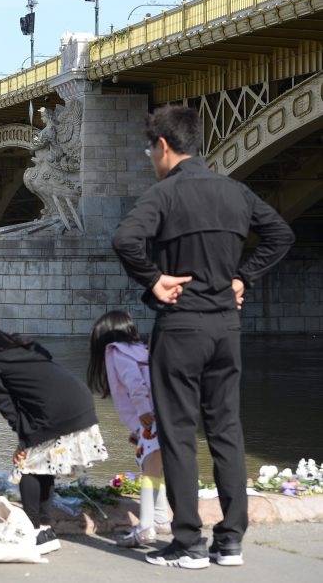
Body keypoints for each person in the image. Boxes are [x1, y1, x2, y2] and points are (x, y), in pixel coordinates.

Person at [112, 105, 294, 569]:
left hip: (180, 326)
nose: (151, 157)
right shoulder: (236, 191)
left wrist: (154, 279)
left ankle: (188, 542)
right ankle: (229, 542)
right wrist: (243, 277)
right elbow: (280, 234)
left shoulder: (163, 195)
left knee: (177, 434)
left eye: (150, 149)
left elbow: (125, 240)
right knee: (227, 432)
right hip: (225, 329)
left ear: (164, 146)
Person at [0, 307, 108, 556]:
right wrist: (27, 438)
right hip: (79, 399)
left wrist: (23, 438)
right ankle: (45, 529)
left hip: (54, 410)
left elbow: (5, 404)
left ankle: (33, 530)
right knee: (44, 465)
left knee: (28, 469)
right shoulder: (20, 344)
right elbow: (41, 375)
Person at [87, 311, 170, 547]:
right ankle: (161, 519)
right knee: (158, 471)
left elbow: (135, 382)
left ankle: (145, 527)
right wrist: (137, 430)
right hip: (163, 416)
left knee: (150, 471)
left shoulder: (117, 352)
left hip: (151, 419)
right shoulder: (141, 349)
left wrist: (143, 413)